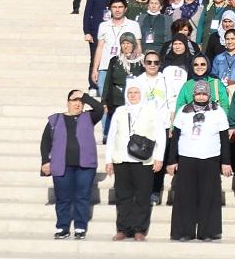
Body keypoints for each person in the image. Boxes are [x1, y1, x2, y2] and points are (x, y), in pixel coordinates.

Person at [166, 81, 231, 241]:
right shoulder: (183, 110)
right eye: (198, 93)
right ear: (194, 94)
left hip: (210, 157)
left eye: (204, 94)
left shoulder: (218, 111)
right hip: (187, 156)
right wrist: (171, 160)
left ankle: (208, 231)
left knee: (209, 195)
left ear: (209, 95)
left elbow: (224, 138)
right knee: (185, 196)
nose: (201, 96)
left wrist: (226, 161)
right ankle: (183, 231)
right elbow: (175, 138)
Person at [105, 82, 166, 240]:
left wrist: (159, 157)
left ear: (142, 94)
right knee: (123, 196)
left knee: (142, 196)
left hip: (143, 161)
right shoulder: (120, 111)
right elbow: (111, 136)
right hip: (121, 159)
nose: (133, 95)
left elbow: (160, 135)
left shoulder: (152, 111)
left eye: (136, 92)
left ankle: (140, 229)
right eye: (130, 92)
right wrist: (108, 160)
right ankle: (123, 229)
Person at [41, 89, 103, 239]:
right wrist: (45, 161)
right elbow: (45, 142)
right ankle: (63, 227)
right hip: (62, 164)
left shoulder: (89, 117)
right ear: (67, 102)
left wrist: (85, 96)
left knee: (82, 197)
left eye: (80, 101)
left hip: (85, 165)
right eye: (74, 100)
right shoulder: (54, 119)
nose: (78, 104)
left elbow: (100, 108)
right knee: (63, 198)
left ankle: (80, 227)